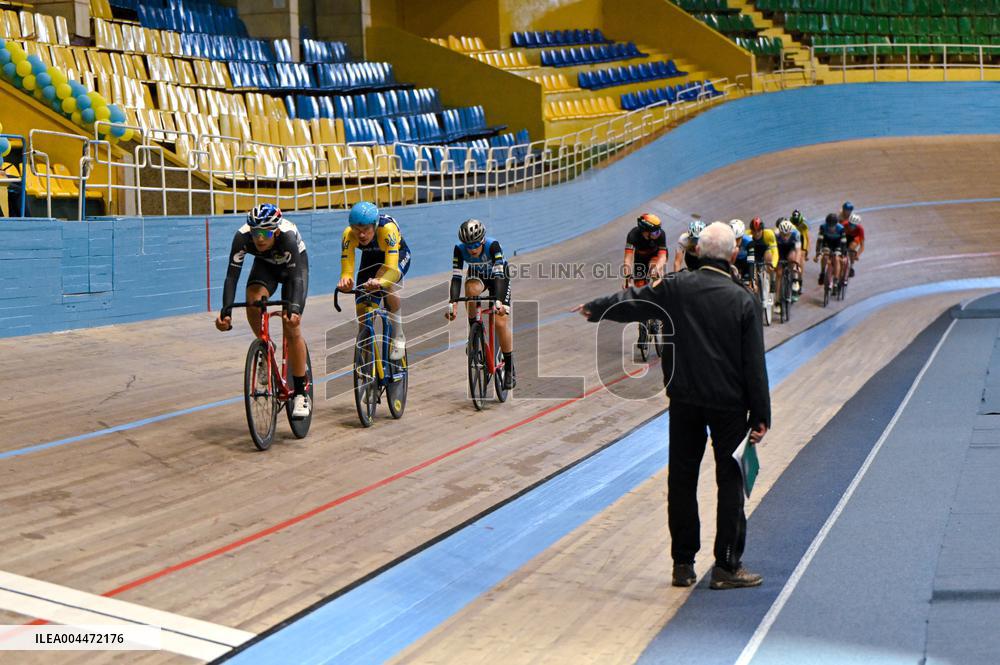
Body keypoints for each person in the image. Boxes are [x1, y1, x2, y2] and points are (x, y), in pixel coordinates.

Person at [574, 222, 770, 590]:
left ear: (696, 251)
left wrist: (595, 308)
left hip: (684, 400)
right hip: (729, 406)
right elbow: (754, 364)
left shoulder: (677, 286)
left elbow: (634, 300)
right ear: (731, 256)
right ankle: (727, 566)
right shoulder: (743, 298)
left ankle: (683, 564)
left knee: (682, 479)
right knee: (730, 480)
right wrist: (760, 415)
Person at [216, 203, 311, 418]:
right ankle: (265, 345)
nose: (259, 238)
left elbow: (296, 278)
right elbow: (232, 276)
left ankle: (300, 393)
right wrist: (226, 312)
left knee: (292, 325)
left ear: (275, 231)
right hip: (266, 266)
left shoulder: (287, 237)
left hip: (293, 270)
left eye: (265, 233)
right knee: (252, 299)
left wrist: (294, 307)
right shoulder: (242, 237)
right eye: (256, 232)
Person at [446, 218, 516, 389]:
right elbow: (456, 278)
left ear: (482, 240)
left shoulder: (493, 246)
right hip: (479, 277)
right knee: (470, 289)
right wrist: (453, 303)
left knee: (500, 322)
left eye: (475, 245)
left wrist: (498, 301)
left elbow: (499, 276)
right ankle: (474, 332)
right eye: (468, 246)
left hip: (499, 278)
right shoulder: (459, 250)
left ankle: (509, 368)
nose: (472, 249)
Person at [338, 201, 411, 360]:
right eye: (357, 230)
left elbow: (390, 269)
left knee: (387, 285)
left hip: (397, 255)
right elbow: (347, 270)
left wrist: (381, 282)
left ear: (375, 225)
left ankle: (399, 336)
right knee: (363, 309)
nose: (361, 235)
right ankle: (367, 362)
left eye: (365, 230)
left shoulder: (387, 229)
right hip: (370, 258)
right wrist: (346, 281)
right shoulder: (348, 234)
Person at [623, 213, 668, 289]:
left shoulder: (661, 235)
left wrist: (656, 269)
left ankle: (661, 293)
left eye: (659, 231)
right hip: (640, 259)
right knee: (640, 286)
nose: (658, 234)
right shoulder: (633, 235)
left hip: (656, 255)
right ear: (645, 232)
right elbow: (627, 259)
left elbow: (663, 257)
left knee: (655, 273)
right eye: (655, 232)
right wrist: (627, 280)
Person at [773, 218, 802, 309]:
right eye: (783, 234)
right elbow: (774, 250)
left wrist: (796, 264)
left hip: (791, 249)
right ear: (780, 231)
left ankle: (794, 279)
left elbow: (798, 251)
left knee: (792, 257)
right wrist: (775, 263)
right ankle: (777, 300)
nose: (785, 237)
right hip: (780, 250)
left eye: (787, 234)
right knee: (779, 274)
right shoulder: (775, 234)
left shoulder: (796, 234)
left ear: (790, 232)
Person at [815, 212, 847, 289]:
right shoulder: (823, 227)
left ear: (836, 224)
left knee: (836, 258)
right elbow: (819, 241)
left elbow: (843, 243)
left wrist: (843, 255)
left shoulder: (841, 229)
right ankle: (822, 272)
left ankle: (836, 279)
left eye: (832, 226)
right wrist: (818, 253)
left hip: (837, 244)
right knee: (825, 256)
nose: (831, 228)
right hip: (827, 243)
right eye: (829, 226)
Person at [843, 212, 865, 278]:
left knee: (852, 248)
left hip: (854, 238)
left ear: (857, 225)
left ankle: (851, 267)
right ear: (848, 222)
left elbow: (862, 246)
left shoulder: (860, 229)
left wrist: (857, 255)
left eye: (853, 225)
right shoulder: (844, 224)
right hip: (845, 236)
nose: (851, 227)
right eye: (850, 224)